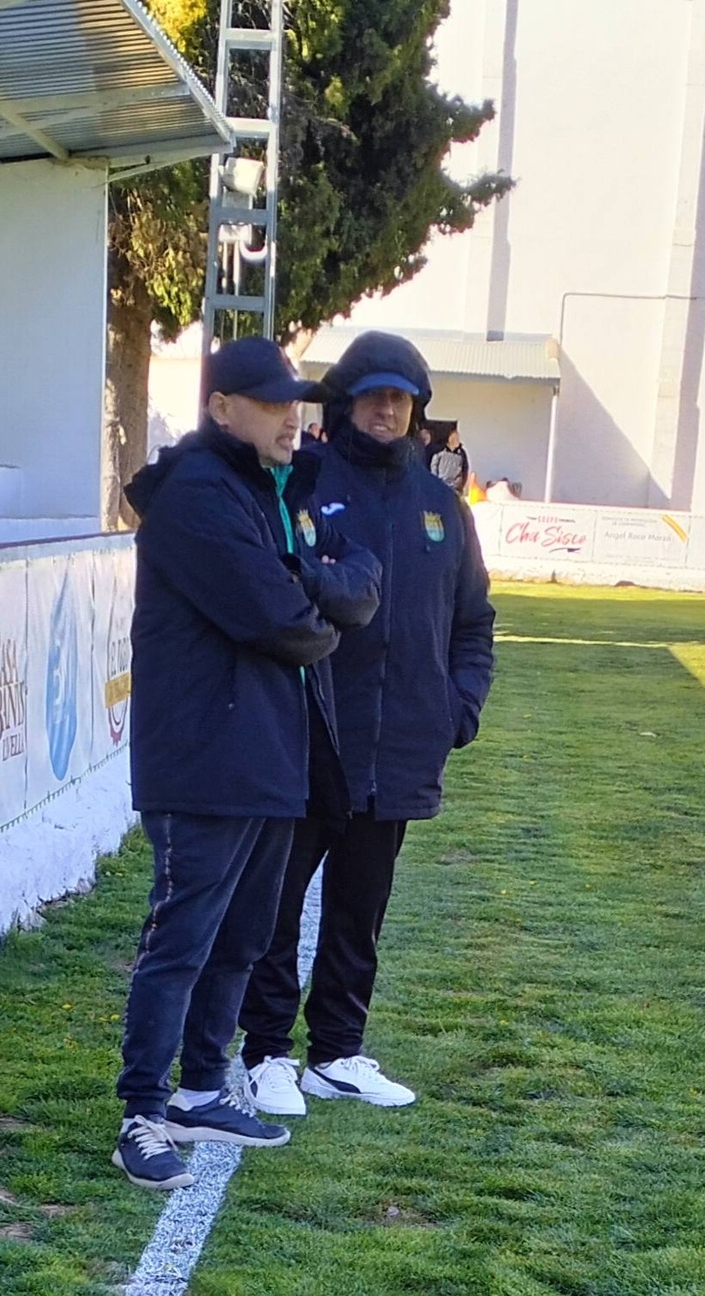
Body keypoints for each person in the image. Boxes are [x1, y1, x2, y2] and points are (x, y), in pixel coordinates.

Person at [113, 336, 382, 1190]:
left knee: (241, 940)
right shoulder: (197, 493)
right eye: (271, 404)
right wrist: (316, 607)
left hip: (267, 755)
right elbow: (284, 621)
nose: (290, 419)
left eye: (295, 404)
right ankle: (141, 1113)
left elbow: (348, 583)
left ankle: (200, 1089)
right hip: (204, 760)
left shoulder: (270, 489)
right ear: (221, 408)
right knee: (181, 942)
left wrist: (311, 596)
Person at [239, 330, 494, 1114]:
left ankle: (337, 1053)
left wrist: (458, 709)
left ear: (417, 409)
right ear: (346, 403)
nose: (386, 409)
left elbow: (473, 622)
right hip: (310, 742)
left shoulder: (442, 507)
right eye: (373, 395)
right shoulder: (304, 485)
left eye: (400, 397)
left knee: (359, 911)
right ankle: (266, 1053)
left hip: (400, 749)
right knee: (276, 907)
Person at [430, 423, 469, 495]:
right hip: (442, 486)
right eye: (455, 438)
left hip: (456, 489)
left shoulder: (461, 453)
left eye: (458, 438)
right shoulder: (439, 451)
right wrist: (436, 483)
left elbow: (465, 469)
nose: (457, 440)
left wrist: (461, 485)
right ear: (450, 438)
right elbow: (434, 467)